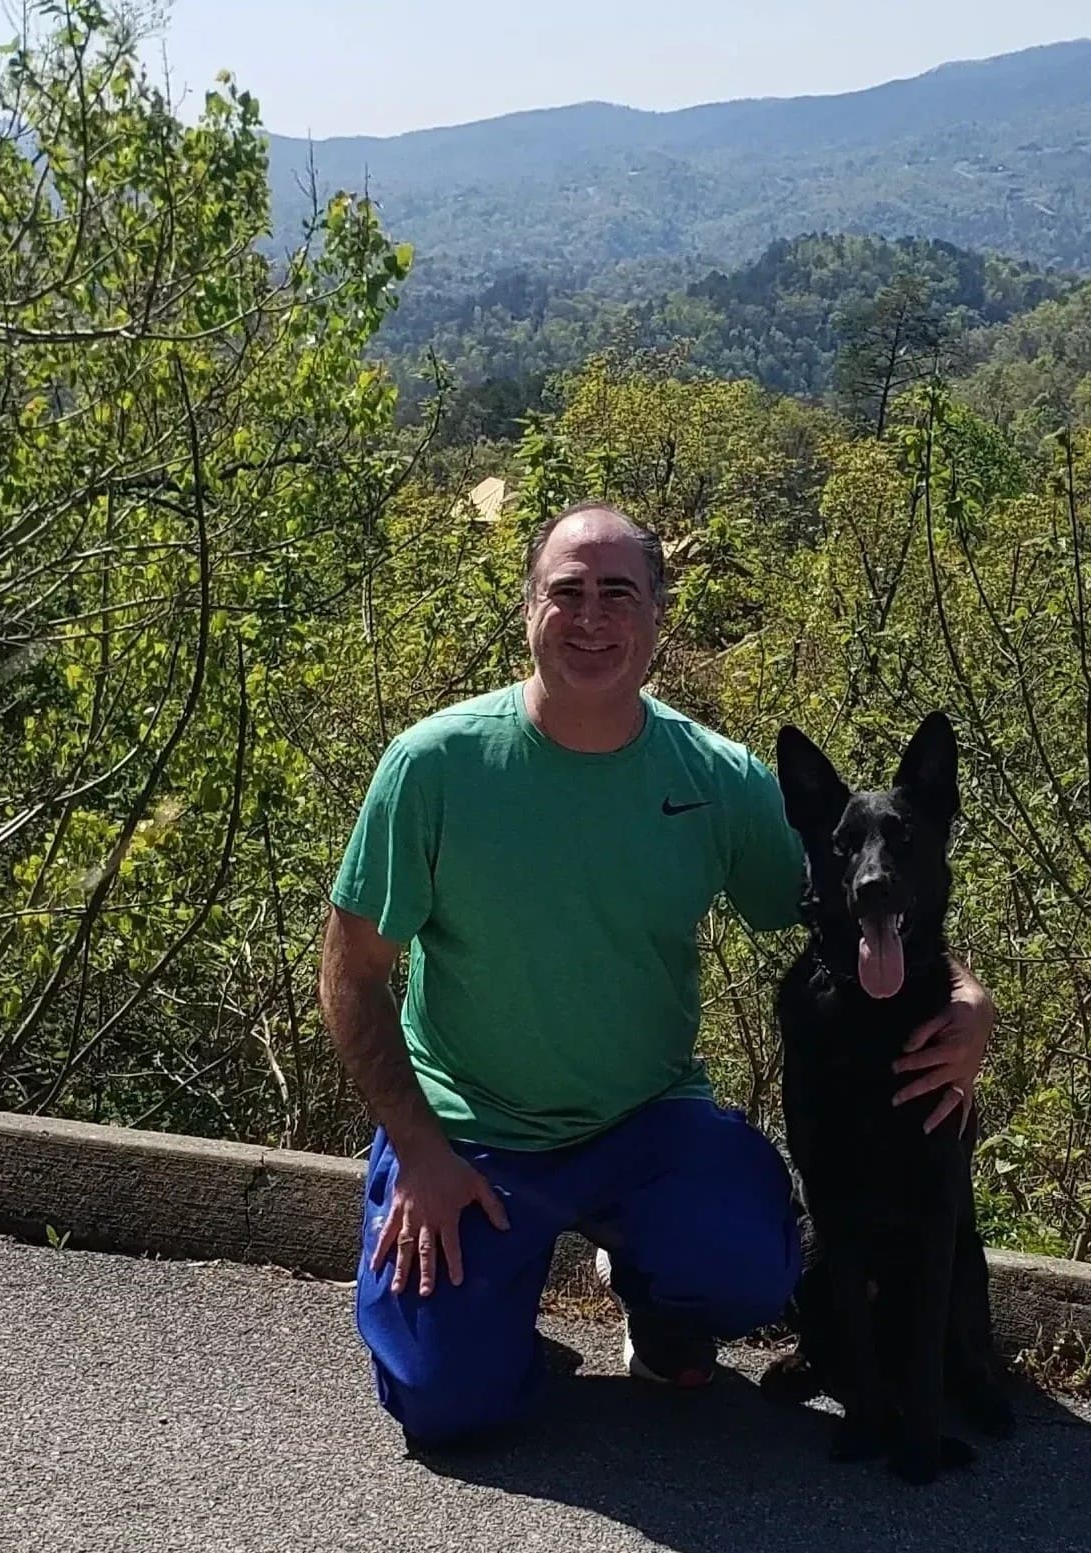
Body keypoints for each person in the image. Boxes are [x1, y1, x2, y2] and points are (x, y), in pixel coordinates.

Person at [318, 500, 995, 1450]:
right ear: (529, 612)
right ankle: (490, 1325)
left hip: (649, 1126)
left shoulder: (713, 777)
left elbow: (859, 897)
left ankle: (654, 1299)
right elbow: (350, 974)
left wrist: (969, 997)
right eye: (568, 592)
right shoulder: (433, 766)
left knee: (756, 1269)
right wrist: (420, 1149)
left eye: (618, 594)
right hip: (471, 1139)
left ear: (656, 618)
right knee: (447, 1407)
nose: (591, 617)